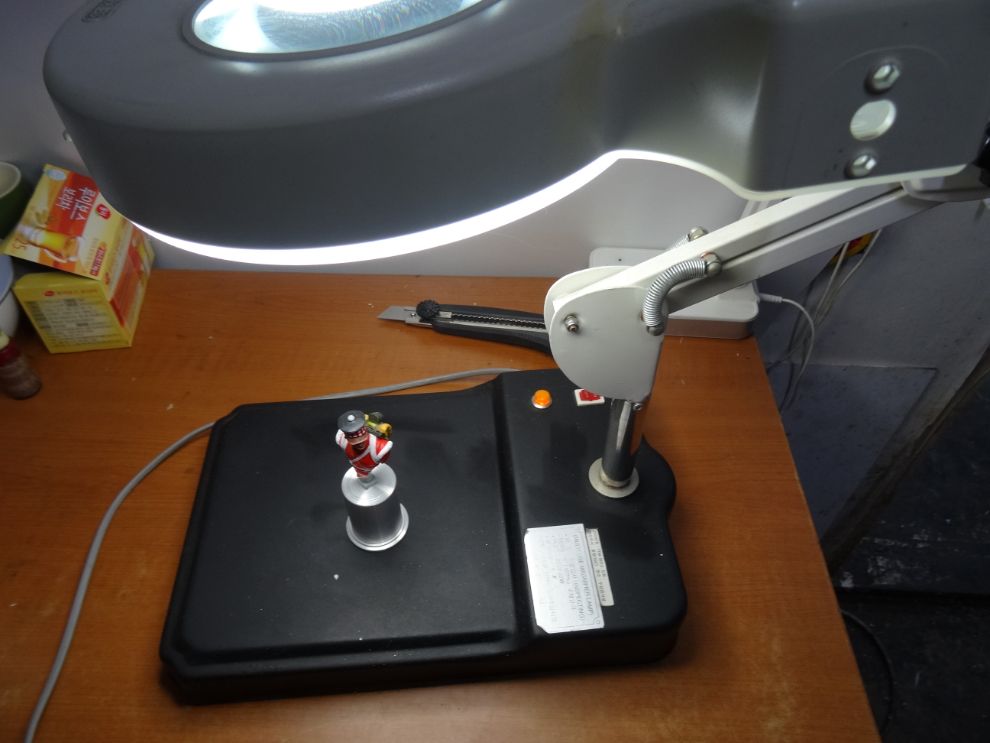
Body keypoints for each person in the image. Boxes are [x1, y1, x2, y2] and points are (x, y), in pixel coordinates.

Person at [335, 410, 392, 479]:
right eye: (356, 443)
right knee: (361, 475)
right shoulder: (341, 439)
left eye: (362, 440)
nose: (360, 444)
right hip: (358, 469)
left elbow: (383, 460)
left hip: (368, 469)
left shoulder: (381, 448)